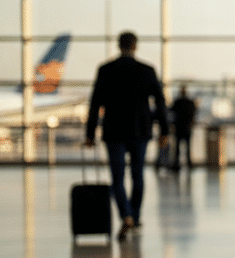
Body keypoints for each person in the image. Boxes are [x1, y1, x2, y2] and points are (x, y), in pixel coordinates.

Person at [84, 32, 168, 241]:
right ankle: (136, 216)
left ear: (118, 45)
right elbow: (160, 102)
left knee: (117, 177)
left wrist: (90, 133)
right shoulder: (147, 70)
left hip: (114, 131)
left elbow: (95, 104)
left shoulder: (106, 70)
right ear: (135, 46)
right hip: (140, 131)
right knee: (138, 176)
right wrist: (164, 130)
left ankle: (126, 215)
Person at [169, 84, 198, 171]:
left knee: (177, 148)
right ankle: (189, 164)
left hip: (178, 128)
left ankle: (176, 165)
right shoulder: (190, 102)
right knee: (188, 148)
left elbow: (171, 111)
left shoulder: (177, 102)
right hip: (188, 128)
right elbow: (194, 113)